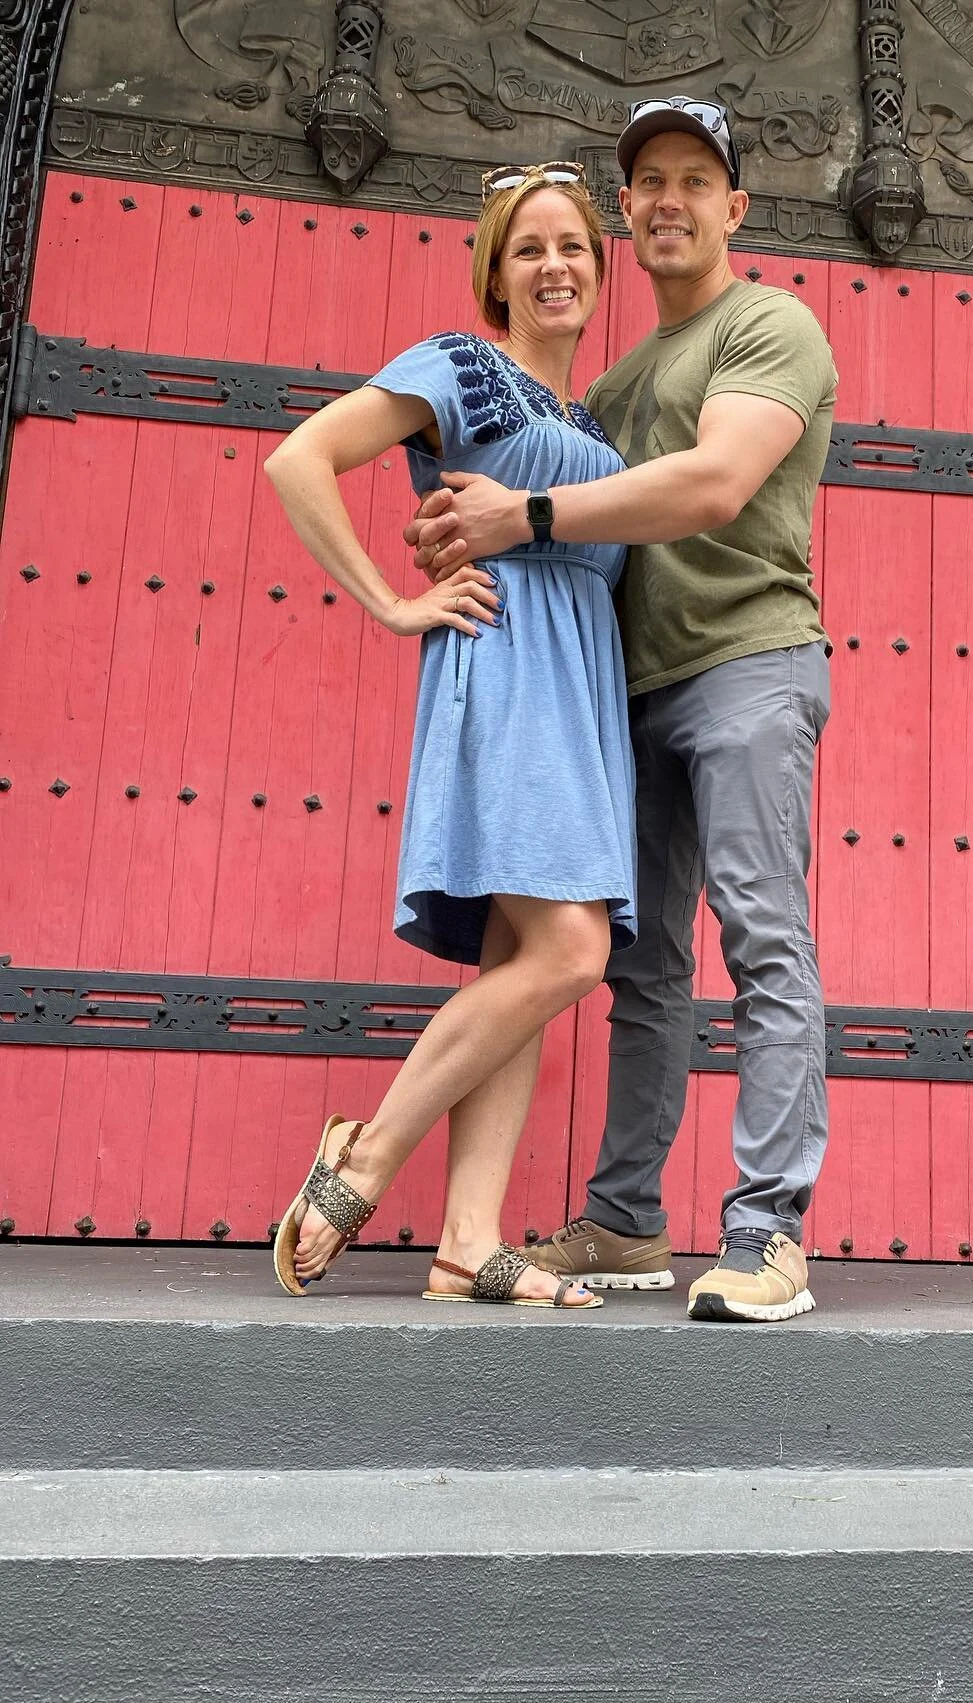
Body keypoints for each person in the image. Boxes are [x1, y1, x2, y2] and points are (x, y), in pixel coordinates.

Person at [405, 99, 838, 1323]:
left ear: (734, 208)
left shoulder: (774, 327)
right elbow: (533, 518)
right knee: (638, 968)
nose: (667, 200)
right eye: (647, 181)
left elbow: (709, 485)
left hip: (749, 665)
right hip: (629, 694)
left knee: (764, 940)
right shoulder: (613, 381)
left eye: (695, 180)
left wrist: (522, 519)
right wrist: (444, 534)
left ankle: (767, 1233)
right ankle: (630, 1217)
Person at [264, 163, 638, 1311]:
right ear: (496, 273)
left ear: (598, 267)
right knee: (572, 952)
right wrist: (392, 600)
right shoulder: (461, 367)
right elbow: (299, 459)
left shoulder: (590, 422)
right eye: (529, 248)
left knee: (523, 961)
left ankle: (470, 1241)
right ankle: (365, 1157)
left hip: (579, 694)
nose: (555, 265)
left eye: (573, 245)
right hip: (507, 670)